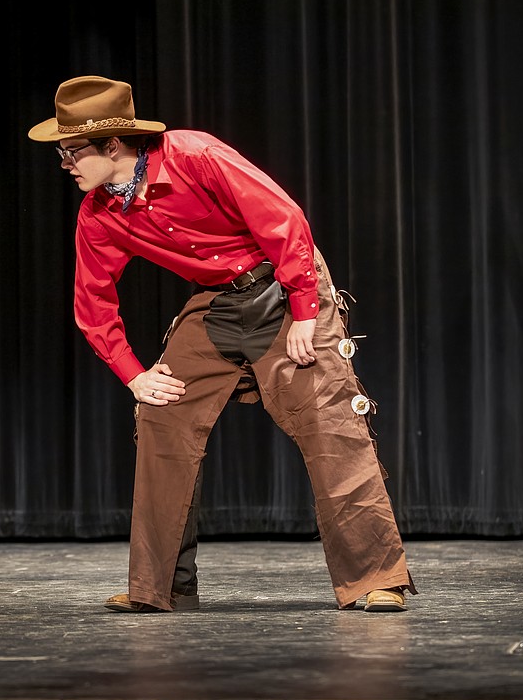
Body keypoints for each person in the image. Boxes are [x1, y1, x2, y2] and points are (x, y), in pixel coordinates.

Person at [28, 76, 415, 614]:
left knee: (328, 419)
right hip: (218, 300)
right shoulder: (99, 214)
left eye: (71, 152)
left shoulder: (194, 154)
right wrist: (135, 375)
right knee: (161, 414)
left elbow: (284, 220)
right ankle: (161, 587)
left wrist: (306, 310)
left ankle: (376, 578)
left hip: (284, 282)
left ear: (112, 145)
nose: (64, 164)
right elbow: (93, 304)